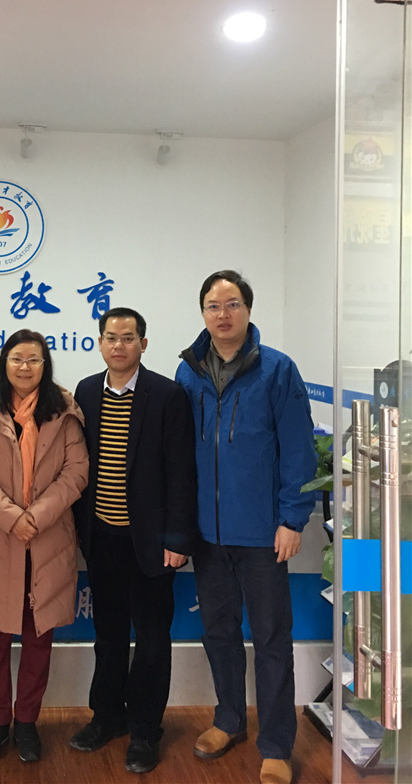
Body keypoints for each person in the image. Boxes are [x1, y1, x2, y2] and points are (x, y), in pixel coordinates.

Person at [175, 270, 317, 784]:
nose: (223, 314)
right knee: (218, 632)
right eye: (213, 305)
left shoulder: (277, 369)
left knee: (272, 638)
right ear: (203, 313)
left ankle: (276, 744)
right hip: (207, 535)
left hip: (262, 534)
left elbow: (298, 449)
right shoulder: (187, 372)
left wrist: (292, 519)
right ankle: (229, 719)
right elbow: (178, 456)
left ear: (248, 310)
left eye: (232, 303)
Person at [70, 307, 197, 775]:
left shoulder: (167, 395)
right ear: (100, 343)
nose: (118, 345)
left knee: (151, 639)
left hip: (151, 542)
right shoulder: (86, 391)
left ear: (143, 344)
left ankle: (145, 730)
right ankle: (106, 717)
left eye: (128, 337)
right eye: (110, 337)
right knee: (108, 635)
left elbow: (182, 472)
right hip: (101, 538)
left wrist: (178, 537)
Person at [0, 329, 88, 764]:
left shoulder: (64, 411)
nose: (25, 367)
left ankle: (27, 722)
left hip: (47, 540)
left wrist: (37, 516)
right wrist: (13, 517)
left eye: (34, 360)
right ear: (4, 363)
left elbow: (76, 472)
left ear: (45, 366)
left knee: (38, 639)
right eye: (17, 359)